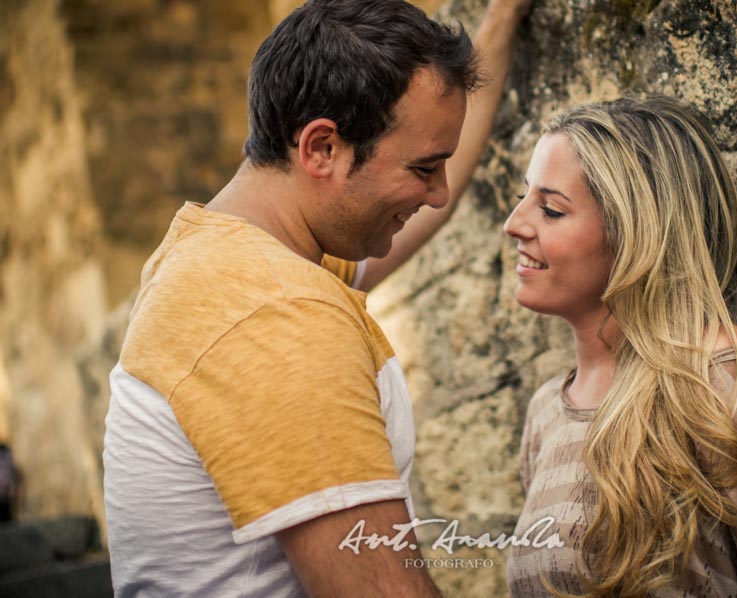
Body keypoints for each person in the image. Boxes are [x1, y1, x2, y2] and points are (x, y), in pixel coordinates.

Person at [102, 0, 530, 596]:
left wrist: (501, 21)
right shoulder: (277, 315)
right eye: (425, 167)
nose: (437, 193)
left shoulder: (226, 262)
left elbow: (437, 196)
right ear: (322, 148)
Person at [503, 97, 737, 597]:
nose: (514, 223)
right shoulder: (546, 413)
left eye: (550, 208)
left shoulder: (718, 379)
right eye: (525, 197)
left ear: (637, 232)